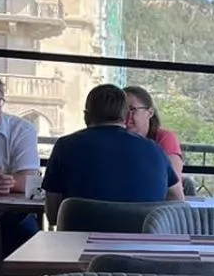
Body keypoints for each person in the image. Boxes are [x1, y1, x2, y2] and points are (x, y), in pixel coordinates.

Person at [43, 83, 183, 225]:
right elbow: (178, 201)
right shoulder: (154, 149)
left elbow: (53, 216)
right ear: (126, 116)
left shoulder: (64, 146)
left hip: (79, 243)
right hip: (143, 243)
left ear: (86, 116)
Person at [0, 72, 42, 276]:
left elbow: (30, 179)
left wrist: (10, 182)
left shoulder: (20, 129)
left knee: (26, 238)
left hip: (11, 218)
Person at [124, 84, 184, 173]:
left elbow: (174, 183)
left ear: (150, 112)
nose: (127, 115)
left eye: (133, 109)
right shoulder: (114, 139)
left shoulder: (164, 138)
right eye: (123, 110)